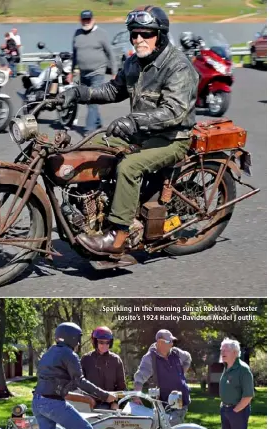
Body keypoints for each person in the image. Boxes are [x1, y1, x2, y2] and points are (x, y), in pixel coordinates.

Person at [61, 6, 198, 256]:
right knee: (91, 148)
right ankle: (91, 206)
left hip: (172, 138)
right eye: (134, 34)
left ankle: (118, 235)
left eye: (146, 34)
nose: (138, 40)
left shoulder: (178, 67)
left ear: (161, 35)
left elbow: (174, 112)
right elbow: (114, 90)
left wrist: (133, 122)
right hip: (141, 134)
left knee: (129, 167)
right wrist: (80, 93)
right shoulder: (135, 62)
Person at [71, 11, 117, 134]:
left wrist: (114, 71)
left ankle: (89, 131)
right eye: (84, 19)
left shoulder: (102, 34)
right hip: (83, 73)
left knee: (92, 100)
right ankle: (98, 124)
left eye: (88, 19)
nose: (86, 22)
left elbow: (110, 53)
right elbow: (74, 54)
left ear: (93, 19)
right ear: (80, 20)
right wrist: (71, 71)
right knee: (88, 100)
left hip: (98, 72)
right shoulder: (77, 34)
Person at [133, 329, 192, 426]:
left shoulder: (176, 352)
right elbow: (139, 378)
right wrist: (136, 396)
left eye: (172, 341)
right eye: (169, 341)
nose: (172, 344)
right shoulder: (150, 358)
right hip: (167, 405)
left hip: (183, 402)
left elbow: (188, 358)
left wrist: (182, 373)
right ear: (160, 342)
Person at [218, 338, 255, 429]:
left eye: (225, 350)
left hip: (237, 411)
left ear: (234, 352)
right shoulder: (226, 366)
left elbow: (248, 396)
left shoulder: (243, 370)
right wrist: (224, 406)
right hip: (225, 409)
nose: (222, 352)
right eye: (221, 350)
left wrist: (235, 410)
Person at [80, 326, 126, 408]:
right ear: (95, 342)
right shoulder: (86, 359)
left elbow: (121, 386)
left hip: (110, 404)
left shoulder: (116, 360)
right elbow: (80, 383)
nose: (104, 345)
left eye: (107, 342)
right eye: (101, 342)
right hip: (89, 403)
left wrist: (116, 402)